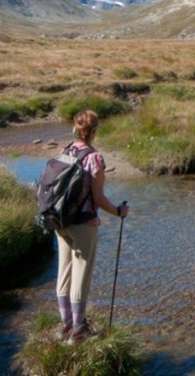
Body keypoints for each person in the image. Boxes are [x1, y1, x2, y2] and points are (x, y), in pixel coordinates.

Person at [55, 109, 130, 343]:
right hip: (84, 222)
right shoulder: (94, 158)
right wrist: (118, 212)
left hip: (60, 220)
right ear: (95, 131)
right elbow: (98, 199)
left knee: (64, 270)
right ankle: (79, 330)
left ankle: (65, 324)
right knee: (81, 274)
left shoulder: (66, 150)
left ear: (76, 128)